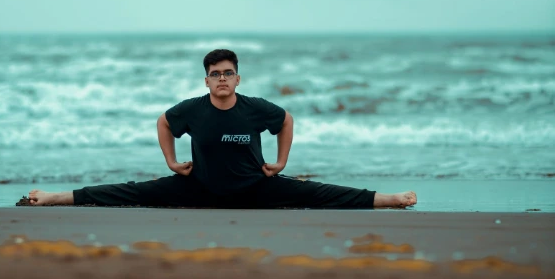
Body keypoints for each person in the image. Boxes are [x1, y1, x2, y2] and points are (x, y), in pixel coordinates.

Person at [28, 49, 417, 209]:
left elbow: (286, 121)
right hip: (200, 187)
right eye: (215, 75)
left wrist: (280, 162)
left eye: (228, 73)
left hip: (254, 187)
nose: (222, 79)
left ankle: (391, 199)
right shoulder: (192, 110)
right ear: (207, 81)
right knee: (128, 192)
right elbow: (164, 122)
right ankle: (52, 197)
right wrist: (173, 160)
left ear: (237, 77)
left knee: (316, 192)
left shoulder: (255, 109)